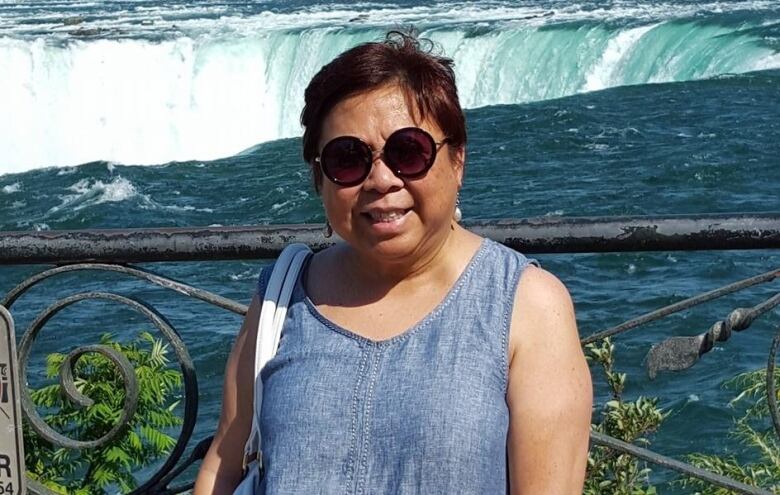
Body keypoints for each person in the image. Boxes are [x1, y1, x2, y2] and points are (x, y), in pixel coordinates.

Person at [194, 31, 592, 494]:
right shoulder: (280, 298)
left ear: (457, 159)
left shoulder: (526, 306)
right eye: (348, 160)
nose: (381, 180)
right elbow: (223, 467)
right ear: (319, 178)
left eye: (408, 152)